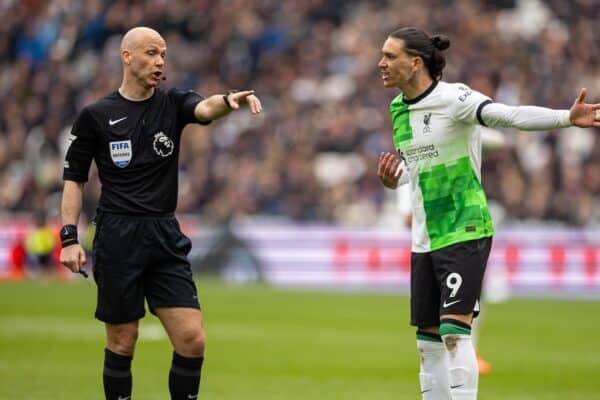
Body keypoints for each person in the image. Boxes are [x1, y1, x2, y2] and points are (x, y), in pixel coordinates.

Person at [376, 27, 599, 400]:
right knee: (426, 343)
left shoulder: (455, 98)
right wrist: (391, 182)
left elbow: (508, 115)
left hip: (465, 228)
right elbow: (414, 175)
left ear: (415, 63)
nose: (380, 63)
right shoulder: (398, 110)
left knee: (453, 333)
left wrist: (565, 117)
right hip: (425, 239)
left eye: (389, 56)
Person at [59, 26, 262, 400]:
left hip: (164, 234)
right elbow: (74, 179)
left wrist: (228, 99)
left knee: (191, 338)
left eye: (163, 55)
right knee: (123, 339)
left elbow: (203, 108)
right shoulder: (96, 115)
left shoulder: (172, 103)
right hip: (118, 235)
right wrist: (69, 238)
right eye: (151, 53)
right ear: (127, 56)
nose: (160, 62)